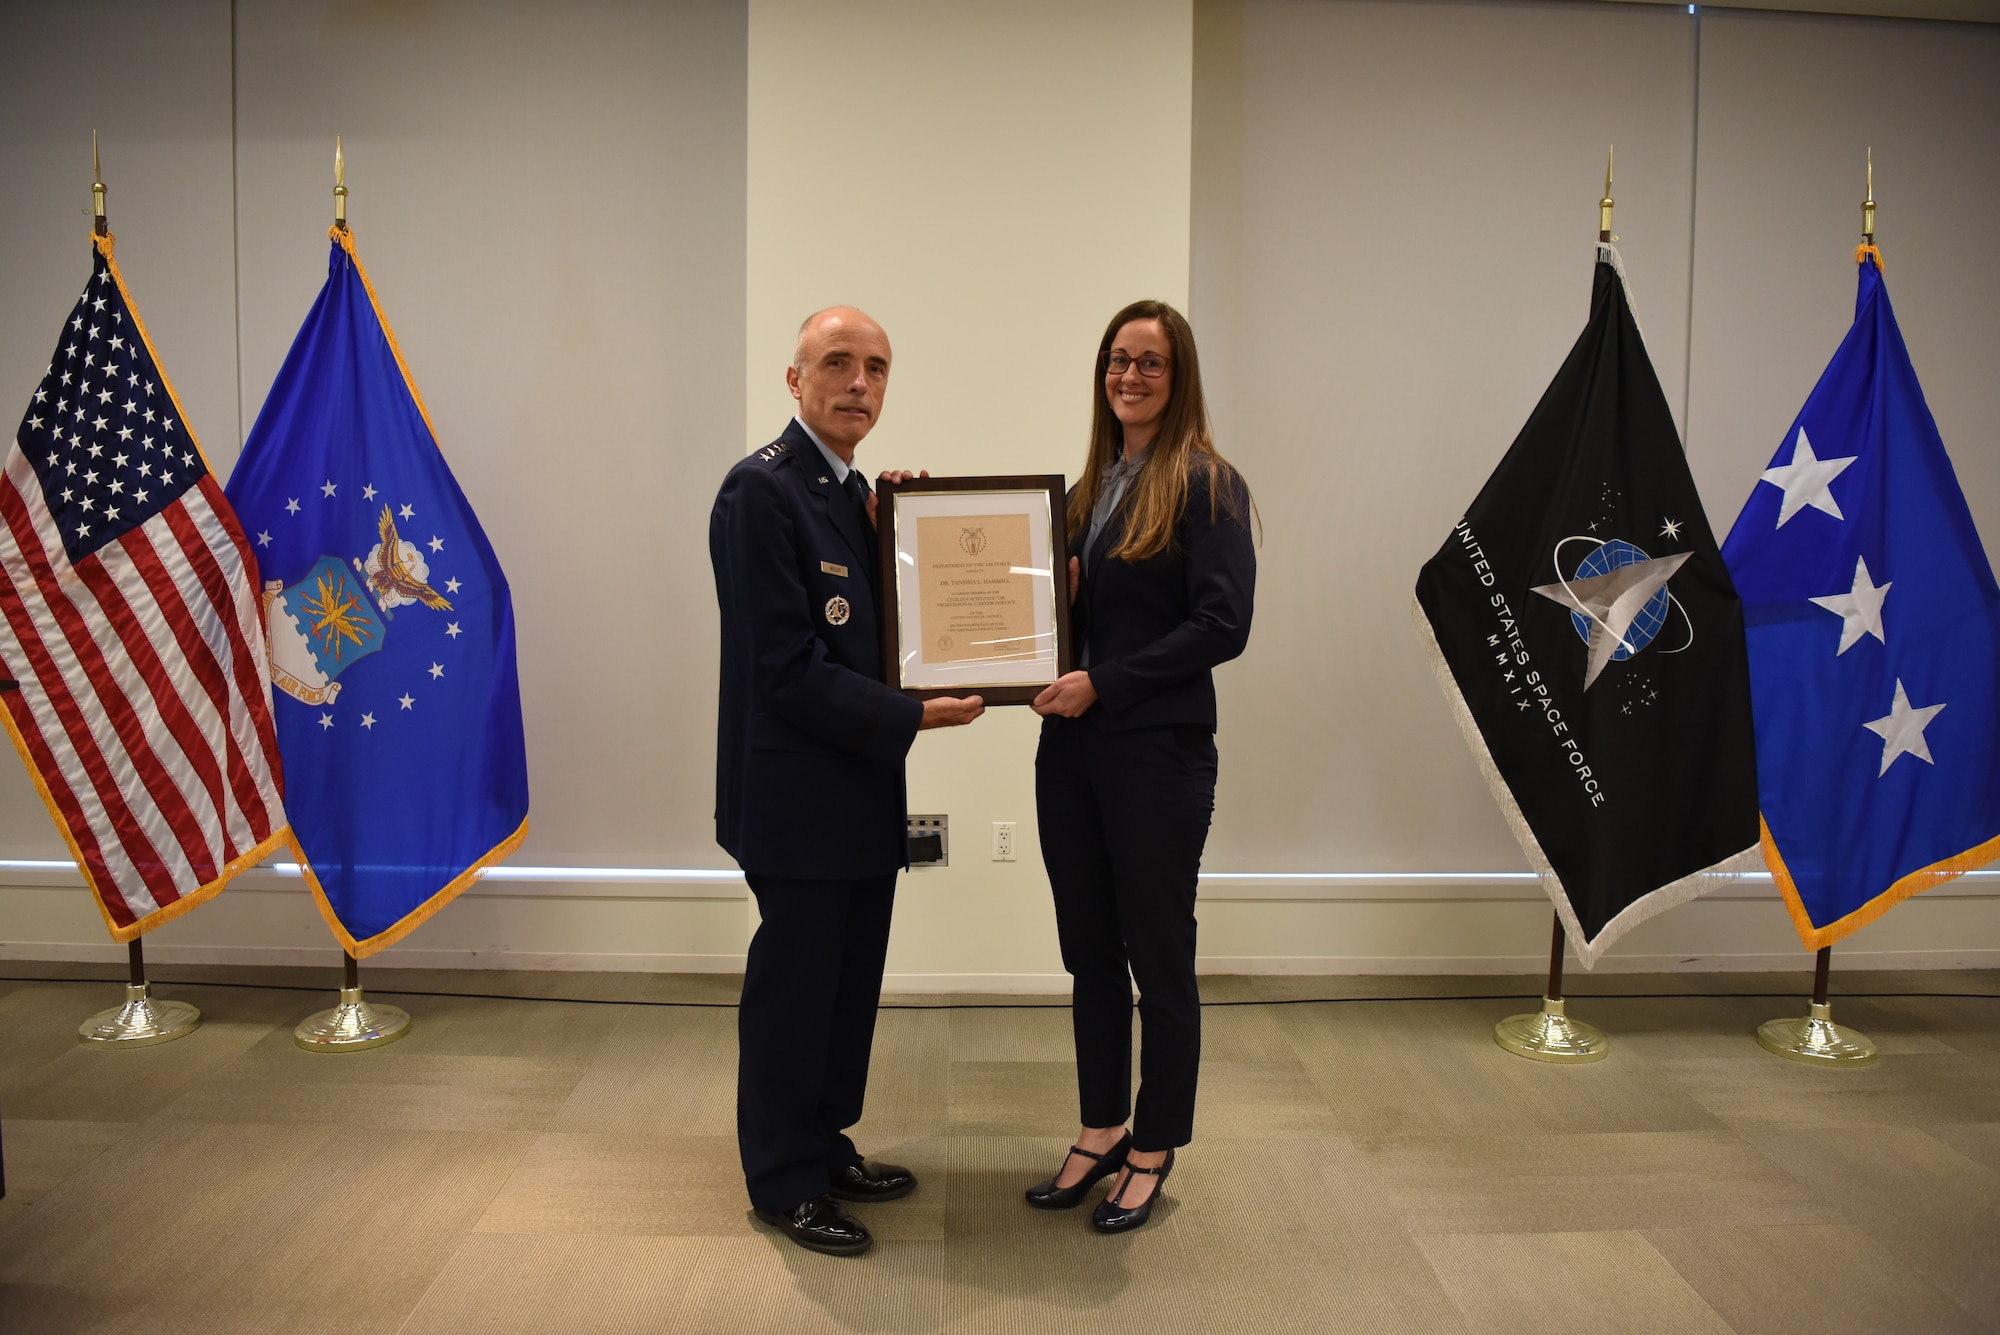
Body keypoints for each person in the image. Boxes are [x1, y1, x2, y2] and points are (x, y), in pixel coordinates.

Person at [710, 306, 984, 1257]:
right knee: (795, 990)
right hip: (794, 797)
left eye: (875, 366)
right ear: (795, 381)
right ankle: (783, 1179)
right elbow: (784, 667)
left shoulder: (852, 497)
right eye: (837, 363)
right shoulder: (760, 493)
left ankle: (824, 1144)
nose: (858, 382)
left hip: (860, 789)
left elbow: (880, 632)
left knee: (848, 984)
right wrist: (915, 716)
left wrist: (898, 531)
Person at [1025, 299, 1256, 1233]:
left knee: (1160, 957)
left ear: (1179, 374)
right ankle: (1099, 1125)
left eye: (1149, 363)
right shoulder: (1089, 492)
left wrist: (1103, 682)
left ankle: (1153, 1146)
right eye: (1117, 360)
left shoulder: (1208, 483)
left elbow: (1222, 626)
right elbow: (1070, 623)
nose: (1129, 375)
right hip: (1072, 755)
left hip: (1156, 754)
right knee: (1088, 954)